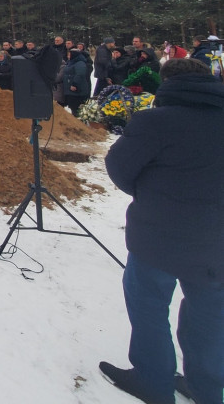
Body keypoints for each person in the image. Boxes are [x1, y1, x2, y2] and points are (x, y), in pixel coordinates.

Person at [100, 58, 224, 404]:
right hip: (216, 242)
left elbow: (119, 167)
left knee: (148, 305)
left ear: (167, 83)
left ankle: (153, 380)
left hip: (159, 237)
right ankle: (208, 388)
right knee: (210, 314)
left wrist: (147, 192)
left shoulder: (155, 122)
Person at [62, 47, 91, 116]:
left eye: (69, 55)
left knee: (77, 109)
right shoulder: (71, 62)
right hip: (71, 91)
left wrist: (74, 84)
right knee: (73, 108)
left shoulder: (80, 63)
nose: (67, 56)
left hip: (77, 91)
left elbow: (80, 74)